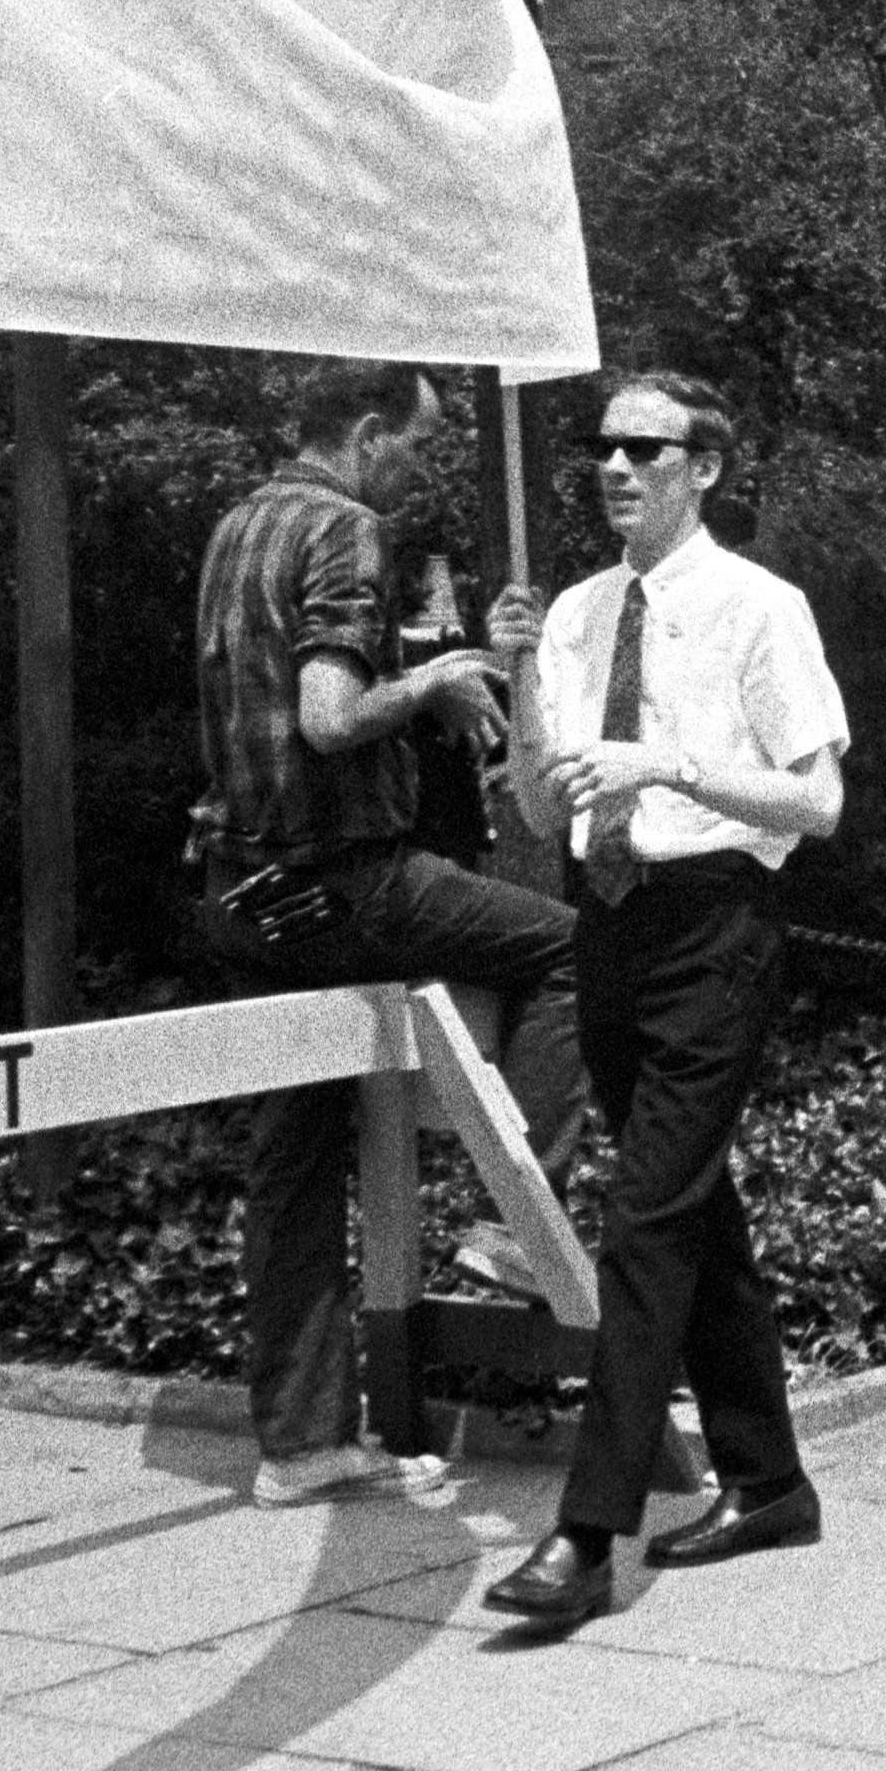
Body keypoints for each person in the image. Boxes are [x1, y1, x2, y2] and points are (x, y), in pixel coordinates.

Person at [476, 374, 847, 1636]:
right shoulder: (577, 613)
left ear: (707, 467)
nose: (615, 466)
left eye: (647, 447)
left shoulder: (759, 606)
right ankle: (769, 1480)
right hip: (612, 925)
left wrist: (668, 762)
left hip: (715, 928)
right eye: (603, 447)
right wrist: (521, 671)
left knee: (642, 1217)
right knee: (692, 1210)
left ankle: (588, 1534)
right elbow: (541, 809)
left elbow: (819, 803)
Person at [187, 359, 579, 1508]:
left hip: (237, 886)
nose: (421, 467)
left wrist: (411, 666)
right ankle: (520, 1215)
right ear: (365, 435)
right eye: (415, 443)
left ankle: (303, 1442)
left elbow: (268, 693)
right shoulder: (348, 527)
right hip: (342, 878)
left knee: (295, 1154)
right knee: (575, 950)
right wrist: (436, 681)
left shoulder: (237, 527)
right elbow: (327, 714)